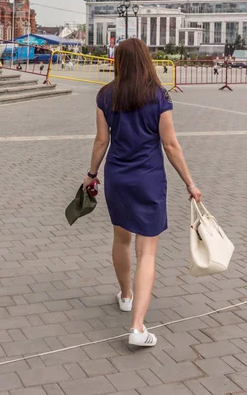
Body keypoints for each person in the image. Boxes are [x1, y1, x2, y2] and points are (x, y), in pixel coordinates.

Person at [83, 38, 202, 348]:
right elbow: (171, 144)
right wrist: (190, 183)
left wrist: (91, 174)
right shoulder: (158, 96)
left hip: (118, 178)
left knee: (121, 238)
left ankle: (125, 295)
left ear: (119, 62)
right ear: (146, 60)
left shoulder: (106, 95)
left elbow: (100, 141)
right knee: (146, 252)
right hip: (148, 180)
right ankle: (137, 328)